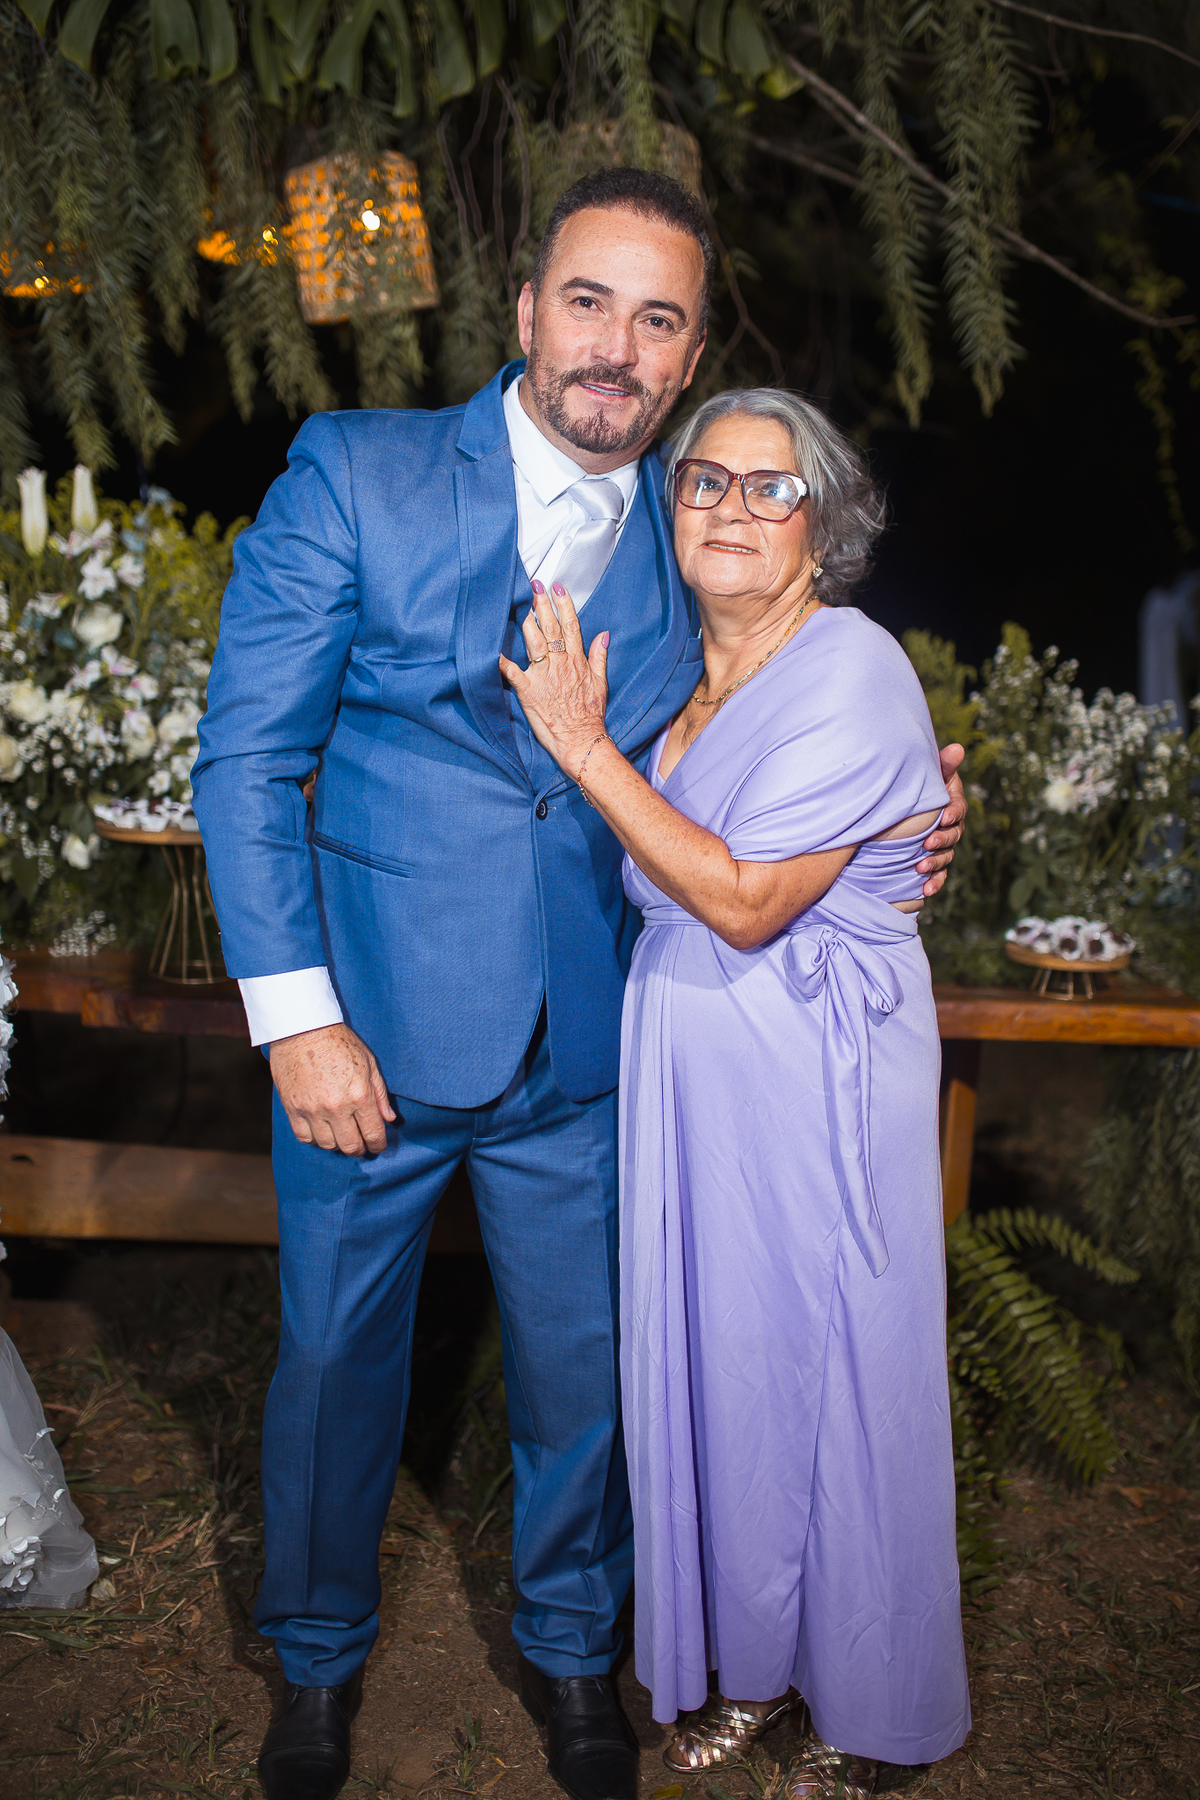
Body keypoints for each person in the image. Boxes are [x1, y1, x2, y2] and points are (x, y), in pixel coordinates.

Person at [192, 168, 966, 1800]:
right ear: (528, 310)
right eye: (592, 302)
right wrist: (297, 1018)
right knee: (333, 1370)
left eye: (659, 319)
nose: (618, 345)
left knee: (593, 1382)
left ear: (690, 355)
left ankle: (572, 1656)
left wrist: (907, 812)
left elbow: (776, 733)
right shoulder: (361, 471)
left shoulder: (699, 546)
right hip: (368, 1038)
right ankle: (315, 1662)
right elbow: (248, 758)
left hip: (600, 1050)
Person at [501, 388, 971, 1798]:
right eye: (706, 480)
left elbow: (749, 899)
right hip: (695, 1072)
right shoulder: (673, 669)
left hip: (815, 1072)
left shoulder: (852, 669)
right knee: (728, 1374)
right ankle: (755, 1665)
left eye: (773, 489)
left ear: (825, 526)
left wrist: (582, 747)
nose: (733, 508)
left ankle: (869, 1702)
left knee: (837, 1372)